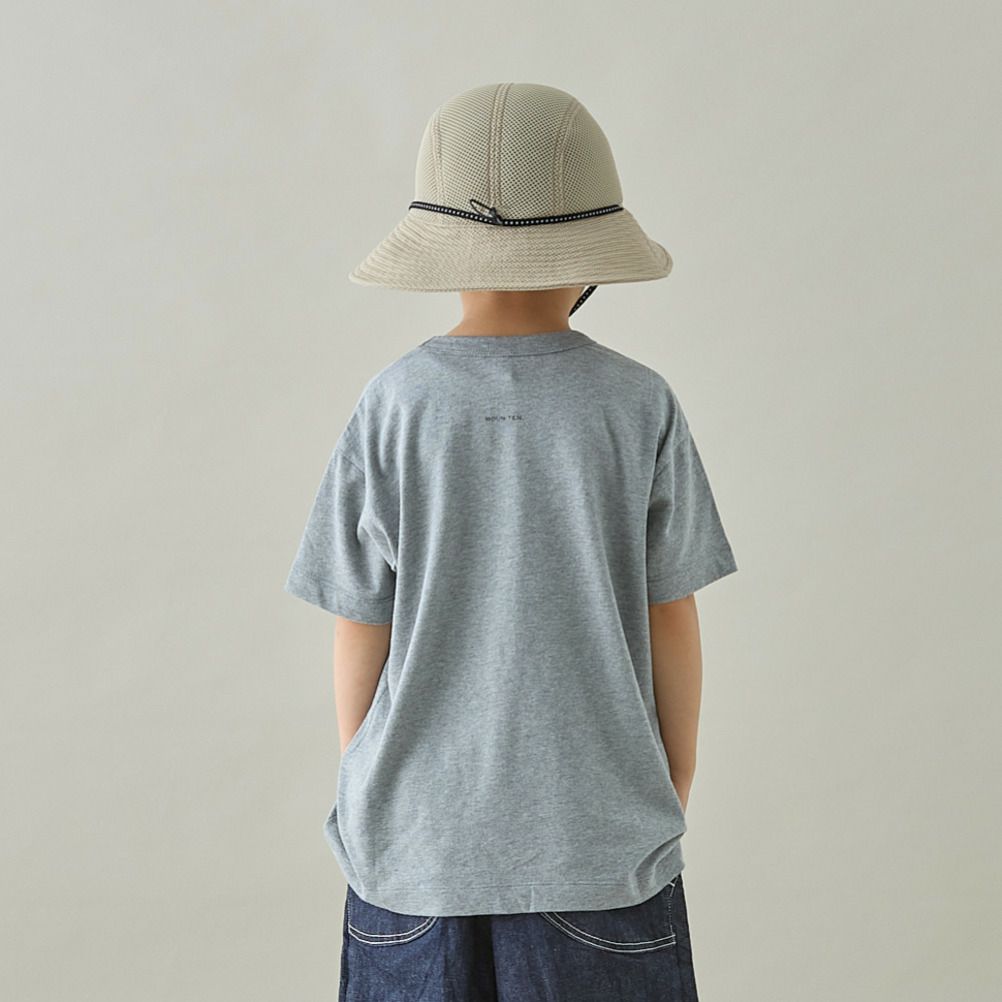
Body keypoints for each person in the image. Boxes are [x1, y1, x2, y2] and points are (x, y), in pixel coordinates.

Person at [284, 82, 738, 1002]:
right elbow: (671, 615)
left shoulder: (394, 404)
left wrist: (376, 779)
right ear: (590, 258)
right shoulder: (637, 403)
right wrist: (671, 777)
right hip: (598, 838)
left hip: (414, 848)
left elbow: (360, 622)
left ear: (444, 254)